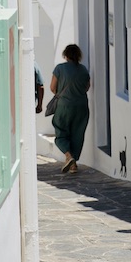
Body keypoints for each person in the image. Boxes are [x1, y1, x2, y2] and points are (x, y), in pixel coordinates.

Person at [49, 44, 91, 174]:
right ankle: (73, 165)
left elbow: (52, 87)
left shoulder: (60, 68)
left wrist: (62, 94)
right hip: (82, 106)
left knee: (60, 132)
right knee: (77, 134)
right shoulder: (83, 69)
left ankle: (68, 156)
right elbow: (87, 87)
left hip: (64, 106)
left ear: (65, 55)